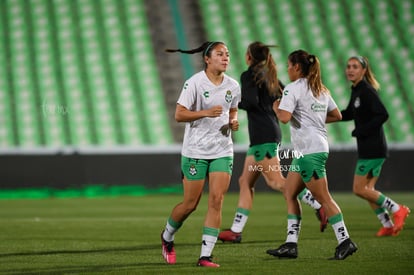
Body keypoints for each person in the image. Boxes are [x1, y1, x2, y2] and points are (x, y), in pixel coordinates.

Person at [218, 42, 328, 244]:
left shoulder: (249, 75)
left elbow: (250, 101)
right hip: (267, 134)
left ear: (249, 57)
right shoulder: (272, 77)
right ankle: (236, 230)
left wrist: (231, 102)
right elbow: (285, 95)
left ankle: (319, 206)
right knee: (245, 181)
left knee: (277, 182)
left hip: (262, 136)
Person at [266, 50, 357, 260]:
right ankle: (290, 244)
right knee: (290, 192)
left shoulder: (292, 89)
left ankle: (345, 241)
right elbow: (337, 115)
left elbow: (285, 118)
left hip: (309, 151)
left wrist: (276, 107)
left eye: (289, 66)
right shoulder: (321, 89)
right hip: (310, 149)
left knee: (323, 197)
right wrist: (313, 120)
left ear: (297, 67)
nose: (288, 70)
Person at [160, 41, 241, 268]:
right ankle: (167, 236)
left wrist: (233, 121)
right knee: (190, 204)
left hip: (223, 150)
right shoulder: (194, 83)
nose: (225, 58)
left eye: (227, 54)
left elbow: (232, 110)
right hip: (195, 150)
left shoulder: (233, 86)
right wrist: (205, 112)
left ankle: (205, 256)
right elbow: (179, 114)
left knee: (216, 200)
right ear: (207, 59)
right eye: (220, 54)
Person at [340, 56, 410, 237]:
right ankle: (387, 224)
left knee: (359, 189)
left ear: (364, 71)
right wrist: (325, 117)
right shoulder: (356, 90)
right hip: (370, 148)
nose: (350, 70)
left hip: (373, 148)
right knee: (368, 192)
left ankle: (398, 209)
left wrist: (361, 130)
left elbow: (383, 114)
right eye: (348, 66)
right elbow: (348, 113)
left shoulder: (366, 91)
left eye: (355, 67)